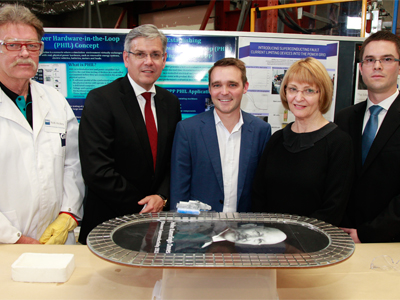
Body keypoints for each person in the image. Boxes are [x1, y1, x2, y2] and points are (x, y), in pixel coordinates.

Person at [78, 24, 181, 244]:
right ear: (126, 58)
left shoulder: (170, 103)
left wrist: (161, 196)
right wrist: (144, 204)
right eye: (140, 54)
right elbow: (97, 170)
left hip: (157, 225)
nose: (148, 61)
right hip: (110, 225)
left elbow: (174, 159)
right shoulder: (101, 100)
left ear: (164, 60)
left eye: (155, 55)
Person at [0, 4, 84, 244]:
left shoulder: (54, 100)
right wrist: (13, 238)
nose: (25, 53)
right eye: (13, 45)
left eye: (32, 45)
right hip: (6, 242)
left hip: (55, 237)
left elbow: (73, 163)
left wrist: (68, 212)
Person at [252, 57, 353, 226]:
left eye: (309, 91)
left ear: (323, 94)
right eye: (293, 89)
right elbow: (258, 195)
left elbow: (333, 208)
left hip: (314, 245)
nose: (298, 98)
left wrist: (295, 238)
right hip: (270, 240)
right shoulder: (277, 139)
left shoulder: (339, 143)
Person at [170, 58, 271, 213]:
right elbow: (179, 190)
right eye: (217, 85)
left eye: (232, 84)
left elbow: (262, 191)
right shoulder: (187, 130)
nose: (224, 92)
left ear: (245, 87)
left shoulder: (261, 130)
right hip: (199, 231)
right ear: (210, 89)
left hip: (244, 230)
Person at [335, 31, 400, 243]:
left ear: (399, 67)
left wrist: (367, 233)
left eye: (387, 59)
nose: (377, 66)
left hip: (391, 243)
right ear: (361, 68)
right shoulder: (344, 118)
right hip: (343, 236)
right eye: (370, 60)